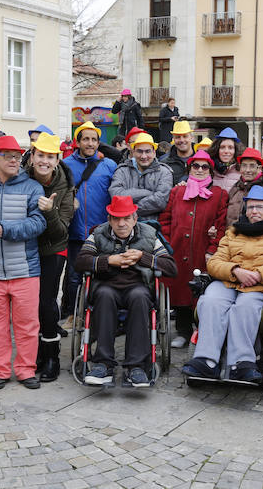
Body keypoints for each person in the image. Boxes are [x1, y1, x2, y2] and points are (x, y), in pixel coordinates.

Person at [182, 186, 263, 382]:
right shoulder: (233, 233)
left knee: (245, 306)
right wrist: (235, 271)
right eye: (250, 207)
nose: (254, 211)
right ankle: (207, 361)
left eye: (259, 207)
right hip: (230, 283)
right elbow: (214, 263)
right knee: (210, 300)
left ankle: (241, 363)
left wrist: (260, 274)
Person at [74, 196, 177, 387]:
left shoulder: (149, 235)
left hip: (137, 286)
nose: (121, 224)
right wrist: (108, 261)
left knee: (140, 297)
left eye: (126, 218)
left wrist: (142, 257)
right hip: (107, 285)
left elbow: (171, 267)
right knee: (104, 296)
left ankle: (136, 366)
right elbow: (80, 262)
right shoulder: (97, 234)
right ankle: (103, 364)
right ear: (109, 219)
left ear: (135, 219)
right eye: (116, 218)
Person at [0, 136, 47, 390]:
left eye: (18, 155)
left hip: (25, 270)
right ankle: (0, 371)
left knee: (28, 325)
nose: (15, 160)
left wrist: (9, 229)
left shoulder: (32, 188)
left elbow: (39, 223)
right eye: (8, 155)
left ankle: (26, 370)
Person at [159, 150, 229, 348]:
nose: (199, 170)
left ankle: (202, 332)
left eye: (204, 166)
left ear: (211, 171)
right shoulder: (177, 192)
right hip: (178, 250)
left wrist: (212, 249)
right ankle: (183, 331)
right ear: (189, 168)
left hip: (202, 252)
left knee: (202, 292)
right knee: (180, 291)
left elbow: (221, 225)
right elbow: (165, 220)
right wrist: (168, 244)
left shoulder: (220, 195)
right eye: (195, 166)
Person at [25, 133, 76, 382]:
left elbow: (61, 230)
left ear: (58, 159)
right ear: (32, 156)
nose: (44, 161)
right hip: (24, 247)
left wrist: (50, 211)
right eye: (40, 155)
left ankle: (51, 356)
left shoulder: (65, 184)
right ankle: (32, 353)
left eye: (50, 156)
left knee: (45, 301)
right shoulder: (20, 177)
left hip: (53, 248)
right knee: (27, 304)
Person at [61, 122, 118, 332]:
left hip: (101, 231)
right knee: (74, 276)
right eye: (86, 139)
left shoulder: (109, 165)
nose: (90, 143)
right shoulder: (66, 164)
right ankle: (72, 315)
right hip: (75, 231)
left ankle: (97, 315)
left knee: (103, 274)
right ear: (78, 142)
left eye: (94, 139)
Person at [109, 133, 173, 222]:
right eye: (139, 151)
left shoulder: (164, 172)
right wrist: (148, 193)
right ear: (133, 152)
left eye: (148, 151)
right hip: (125, 226)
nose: (143, 156)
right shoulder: (122, 170)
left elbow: (160, 201)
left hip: (154, 227)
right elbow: (116, 195)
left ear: (154, 152)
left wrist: (131, 209)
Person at [226, 148, 263, 226]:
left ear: (260, 168)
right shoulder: (236, 187)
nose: (247, 170)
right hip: (230, 234)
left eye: (252, 166)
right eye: (244, 166)